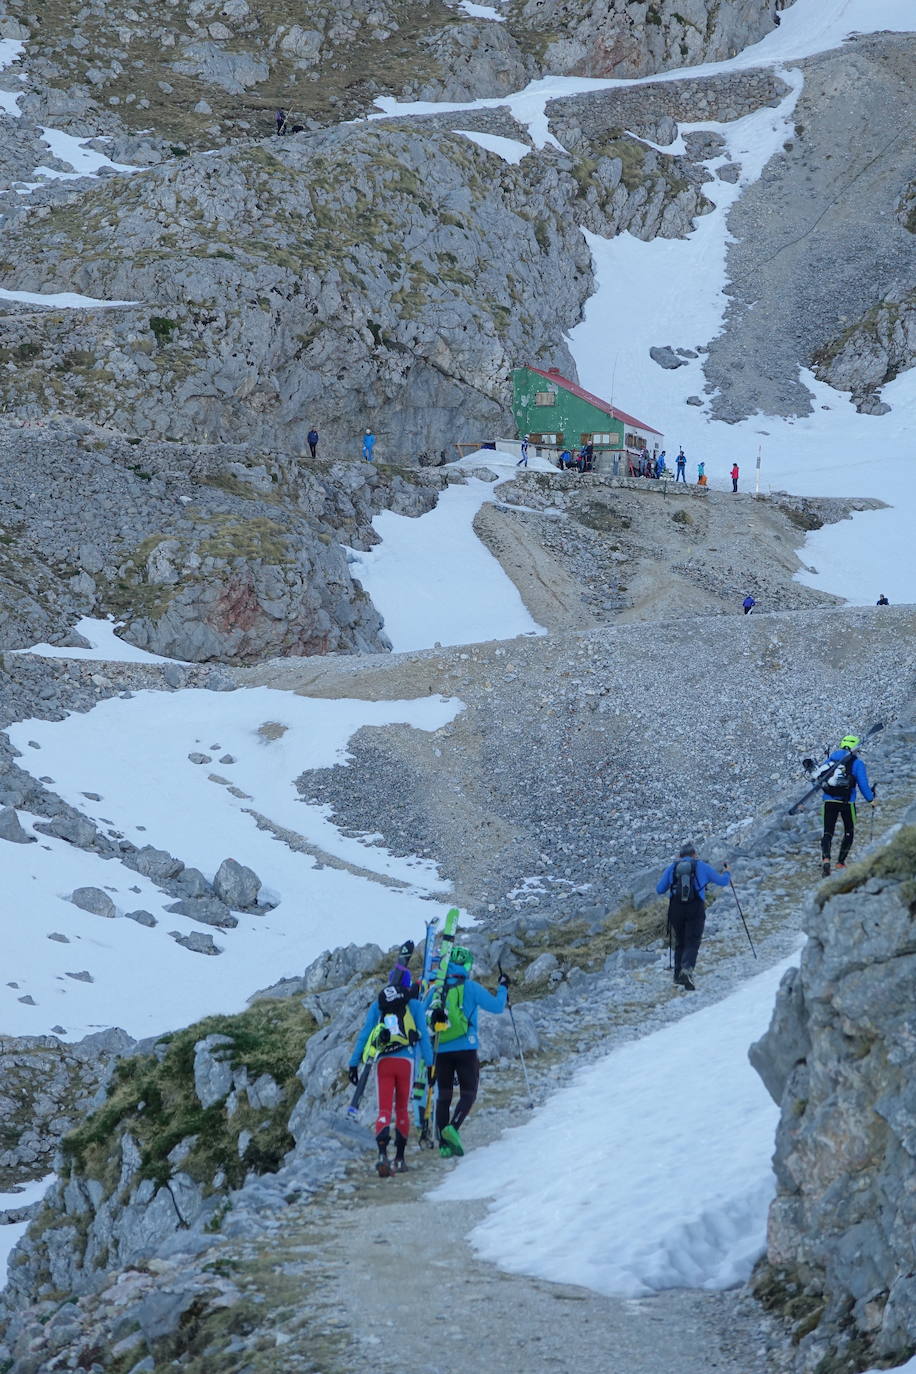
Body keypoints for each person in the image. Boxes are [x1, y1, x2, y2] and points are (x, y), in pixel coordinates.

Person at [425, 946, 509, 1157]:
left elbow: (422, 1016)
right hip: (466, 1047)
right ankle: (453, 1127)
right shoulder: (470, 987)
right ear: (466, 966)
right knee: (468, 1093)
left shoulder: (437, 990)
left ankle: (444, 1146)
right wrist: (503, 988)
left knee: (443, 1096)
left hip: (440, 1048)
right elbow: (498, 1007)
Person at [349, 969, 433, 1176]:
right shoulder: (414, 1004)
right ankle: (400, 1159)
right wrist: (430, 1065)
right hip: (406, 1062)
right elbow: (423, 1037)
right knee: (403, 1109)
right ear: (407, 983)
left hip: (384, 1062)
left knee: (384, 1110)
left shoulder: (379, 1005)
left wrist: (353, 1063)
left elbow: (365, 1035)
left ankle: (381, 1155)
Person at [656, 844, 731, 991]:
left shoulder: (672, 868)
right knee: (693, 940)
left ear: (679, 856)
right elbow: (722, 881)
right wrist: (727, 872)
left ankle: (677, 975)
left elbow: (659, 889)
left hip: (675, 909)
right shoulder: (701, 866)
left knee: (680, 940)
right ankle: (687, 969)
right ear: (695, 854)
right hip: (695, 907)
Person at [819, 734, 875, 877]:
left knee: (827, 831)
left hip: (829, 801)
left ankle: (826, 859)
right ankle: (840, 862)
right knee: (849, 830)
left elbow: (820, 778)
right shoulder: (857, 763)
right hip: (847, 802)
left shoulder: (830, 760)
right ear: (855, 748)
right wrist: (871, 799)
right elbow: (863, 784)